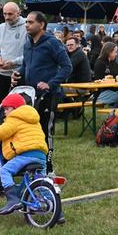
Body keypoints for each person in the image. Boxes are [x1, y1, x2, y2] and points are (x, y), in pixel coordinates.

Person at [12, 11, 71, 172]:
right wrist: (18, 73)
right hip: (31, 95)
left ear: (42, 24)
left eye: (30, 22)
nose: (27, 25)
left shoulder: (52, 43)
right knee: (31, 131)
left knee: (45, 131)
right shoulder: (27, 43)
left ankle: (49, 168)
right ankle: (33, 164)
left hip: (49, 95)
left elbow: (67, 67)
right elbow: (26, 66)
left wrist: (50, 84)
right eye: (26, 22)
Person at [0, 93, 48, 215]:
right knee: (41, 179)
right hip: (40, 155)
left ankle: (12, 199)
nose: (5, 112)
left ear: (15, 108)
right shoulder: (32, 118)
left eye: (7, 109)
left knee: (5, 171)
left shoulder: (14, 118)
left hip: (25, 154)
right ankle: (55, 208)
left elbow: (2, 131)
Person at [0, 2, 27, 102]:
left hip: (19, 73)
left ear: (18, 13)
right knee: (2, 103)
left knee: (19, 104)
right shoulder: (1, 27)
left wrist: (13, 62)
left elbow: (29, 54)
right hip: (2, 73)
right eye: (4, 14)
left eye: (10, 14)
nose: (7, 17)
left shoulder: (26, 27)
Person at [93, 42, 118, 108]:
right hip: (102, 93)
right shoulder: (99, 63)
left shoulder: (113, 63)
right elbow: (98, 81)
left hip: (115, 91)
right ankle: (114, 116)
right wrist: (115, 80)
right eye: (115, 52)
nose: (116, 54)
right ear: (109, 52)